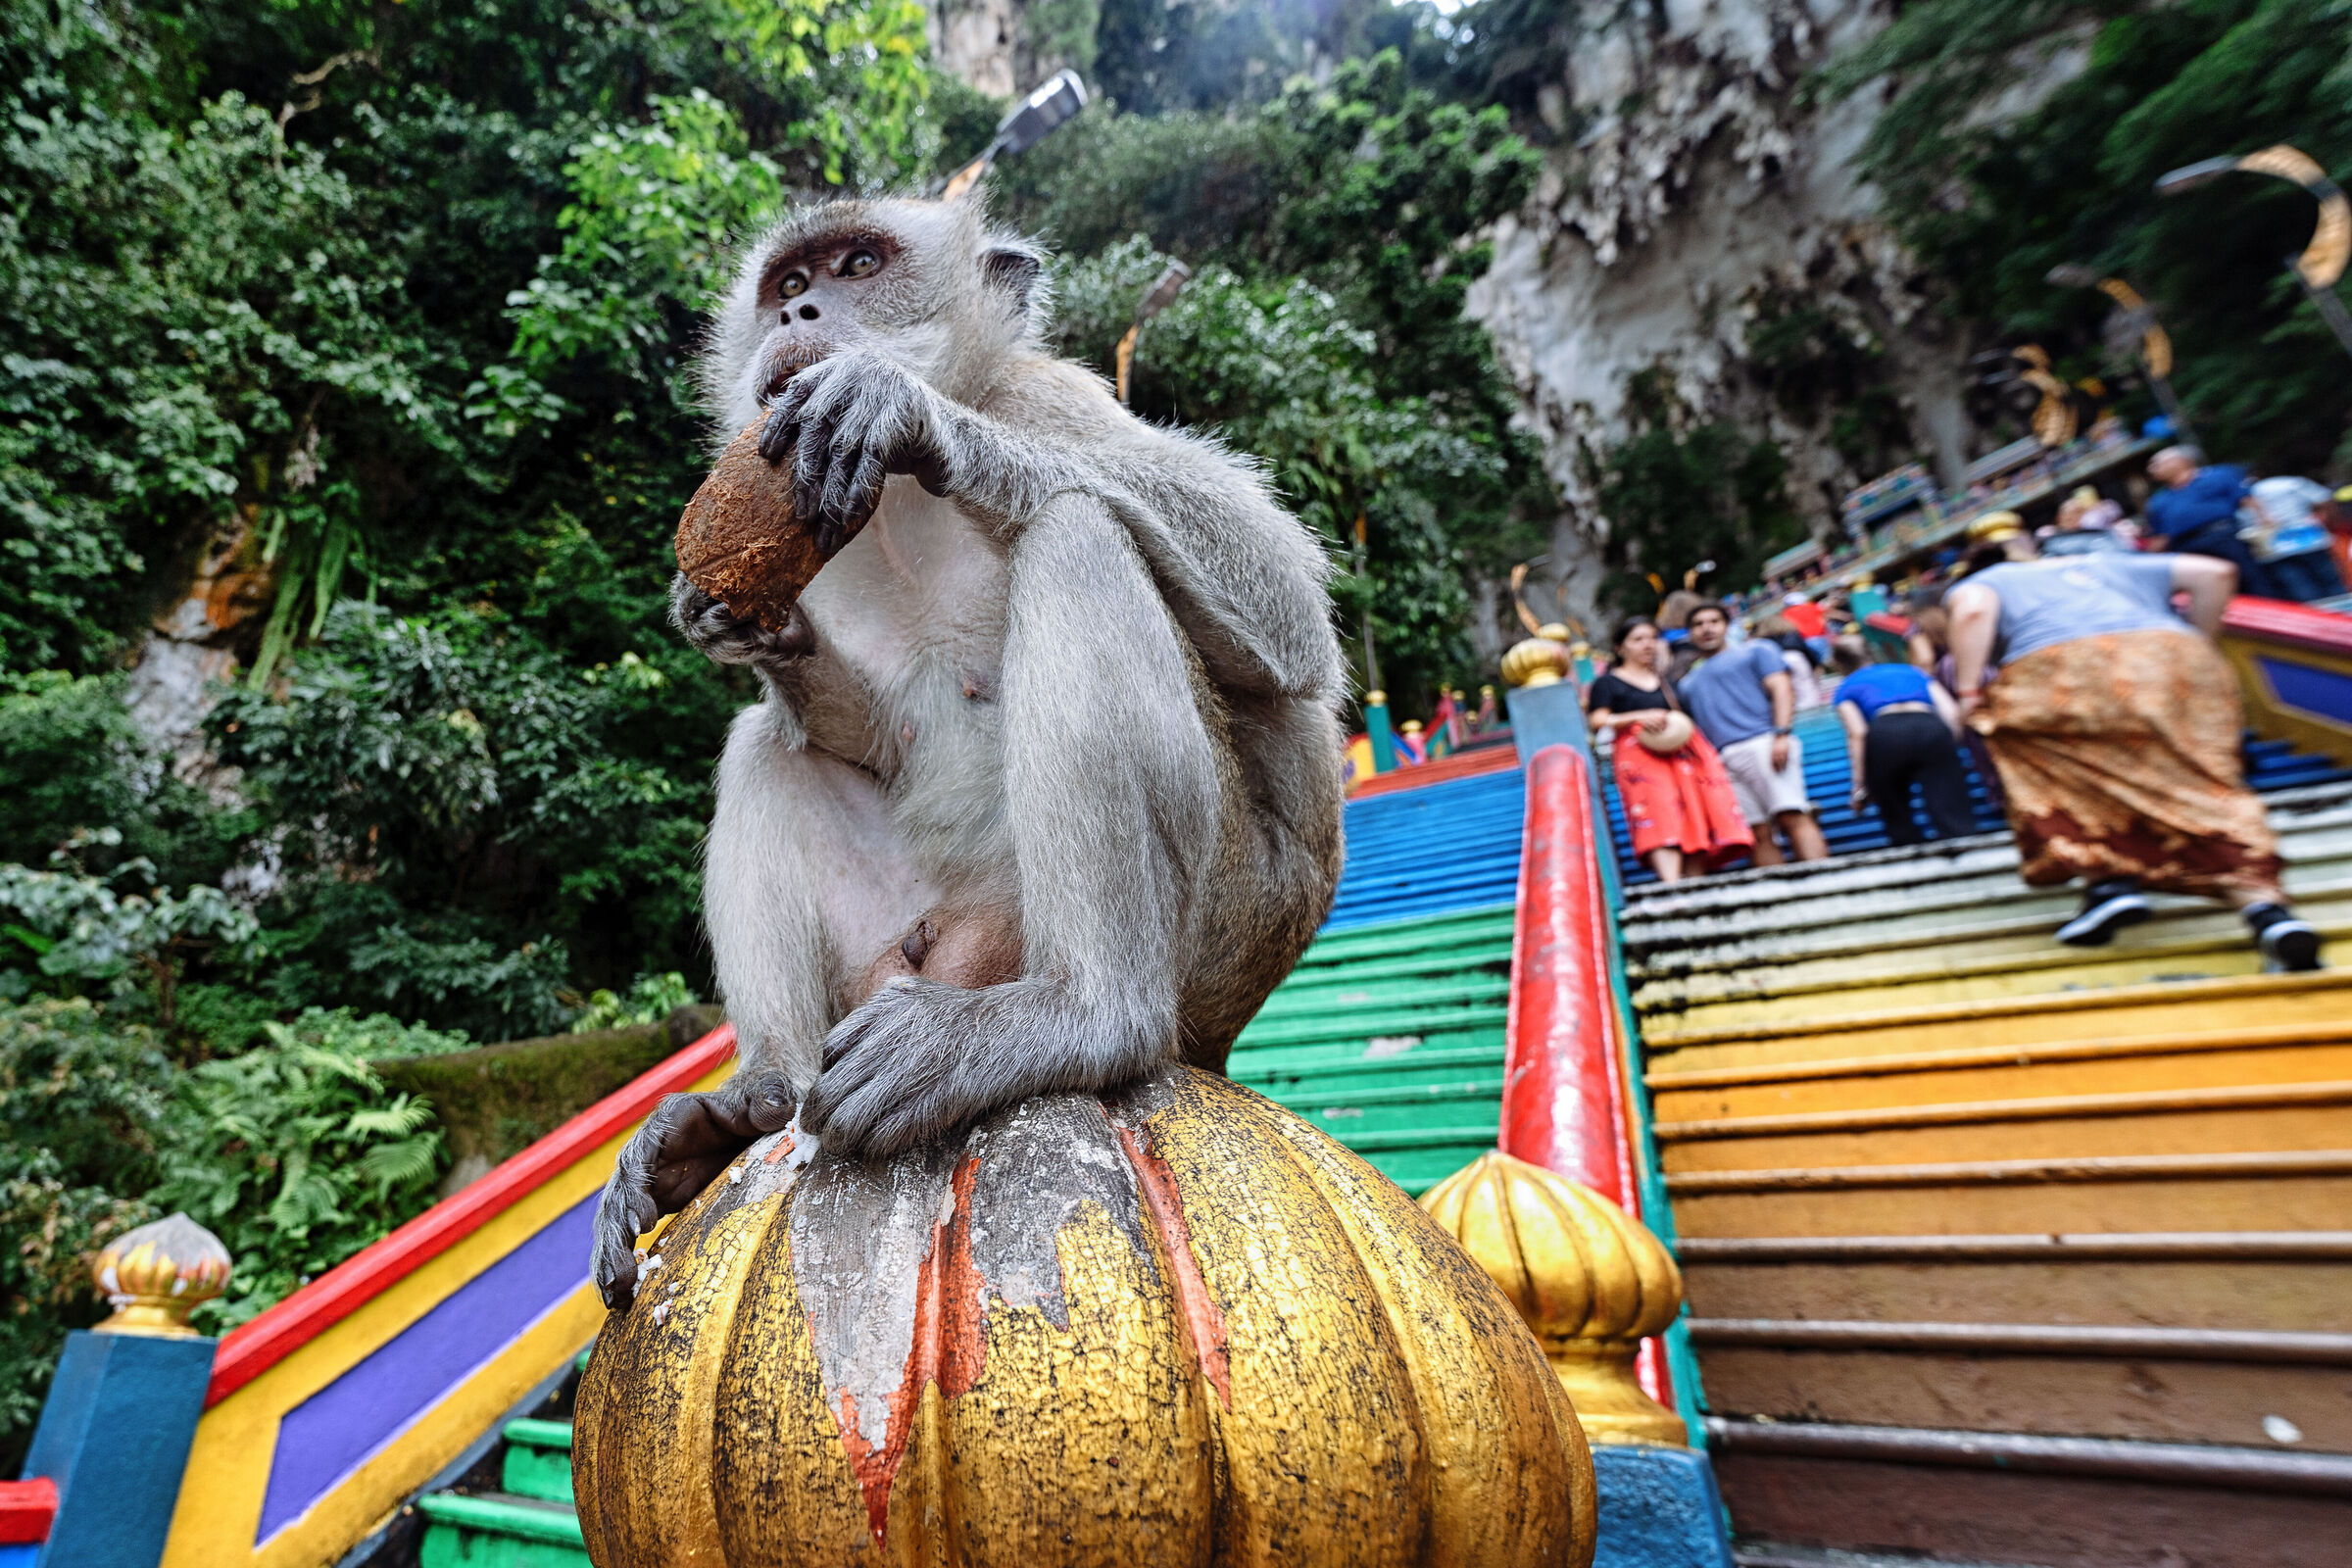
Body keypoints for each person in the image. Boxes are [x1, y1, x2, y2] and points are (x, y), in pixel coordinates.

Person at [1946, 534, 2323, 969]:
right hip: (2174, 659)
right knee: (2199, 784)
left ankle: (2107, 878)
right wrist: (2198, 640)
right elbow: (2215, 573)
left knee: (2054, 767)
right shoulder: (2107, 562)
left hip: (2063, 667)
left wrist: (1970, 691)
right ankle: (2266, 911)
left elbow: (1974, 611)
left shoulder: (1986, 581)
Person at [1586, 617, 1752, 883]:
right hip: (1639, 757)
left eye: (1652, 638)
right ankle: (1671, 883)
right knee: (1657, 814)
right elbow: (1598, 720)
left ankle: (1695, 881)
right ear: (1620, 647)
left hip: (1680, 753)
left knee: (1693, 811)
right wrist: (1638, 717)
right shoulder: (1608, 683)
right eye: (1638, 639)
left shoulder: (1667, 681)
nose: (1647, 645)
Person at [1679, 601, 1830, 865]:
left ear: (1726, 626)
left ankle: (1825, 880)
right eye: (1698, 624)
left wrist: (1781, 733)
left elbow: (1782, 688)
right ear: (1690, 633)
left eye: (1713, 621)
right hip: (1722, 758)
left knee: (1792, 814)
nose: (1706, 629)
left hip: (1763, 742)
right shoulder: (1687, 683)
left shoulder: (1757, 650)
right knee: (1755, 833)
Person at [1830, 641, 1976, 845]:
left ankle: (1911, 857)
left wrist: (1860, 785)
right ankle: (1965, 851)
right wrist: (1951, 751)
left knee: (1896, 812)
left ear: (1838, 664)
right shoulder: (1912, 671)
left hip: (1885, 733)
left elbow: (1858, 732)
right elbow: (1951, 713)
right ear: (1872, 653)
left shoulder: (1845, 687)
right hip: (1929, 725)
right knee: (1951, 811)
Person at [2144, 446, 2257, 580]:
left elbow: (2247, 501)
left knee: (2252, 580)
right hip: (2187, 551)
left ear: (2181, 461)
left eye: (2157, 464)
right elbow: (2161, 537)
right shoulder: (2158, 500)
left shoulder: (2219, 475)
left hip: (2225, 536)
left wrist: (2264, 525)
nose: (2151, 469)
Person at [2238, 474, 2348, 603]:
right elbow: (2324, 498)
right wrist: (2325, 518)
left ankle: (2318, 620)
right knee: (2332, 584)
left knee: (2301, 591)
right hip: (2310, 541)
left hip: (2275, 549)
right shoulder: (2290, 482)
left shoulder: (2241, 495)